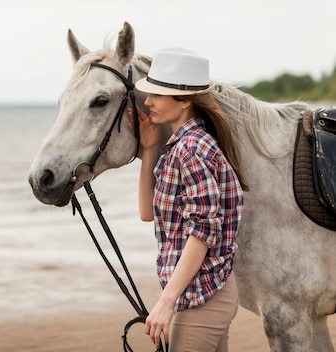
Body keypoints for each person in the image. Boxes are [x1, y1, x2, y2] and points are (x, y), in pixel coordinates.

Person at [130, 47, 248, 352]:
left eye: (157, 94)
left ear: (184, 101)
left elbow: (204, 231)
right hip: (201, 294)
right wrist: (149, 149)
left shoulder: (190, 149)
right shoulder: (182, 146)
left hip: (203, 299)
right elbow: (147, 213)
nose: (148, 101)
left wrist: (165, 302)